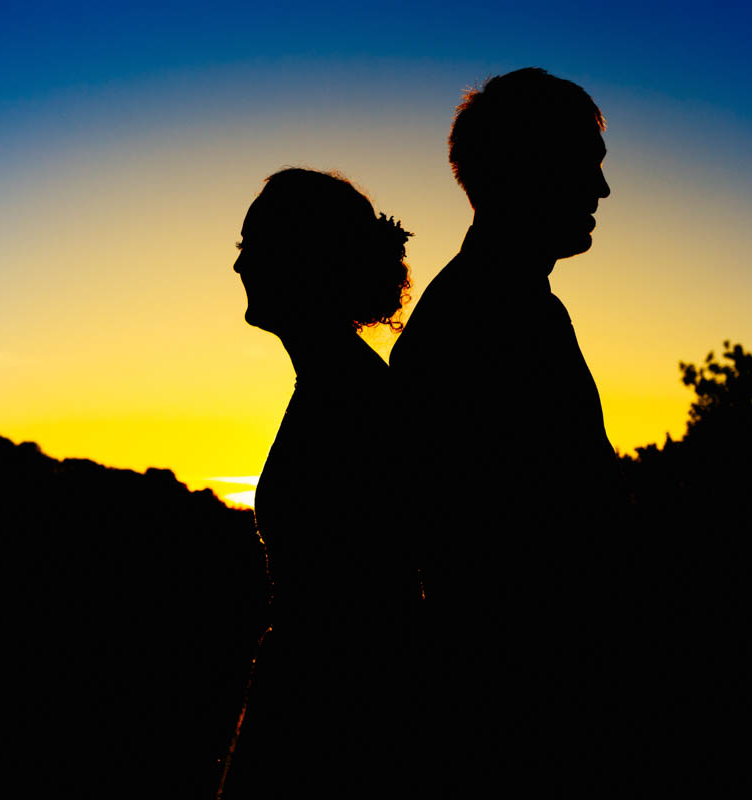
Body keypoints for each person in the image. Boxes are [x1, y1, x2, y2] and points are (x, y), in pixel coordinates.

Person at [389, 67, 623, 794]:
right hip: (517, 723)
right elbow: (526, 553)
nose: (602, 192)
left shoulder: (506, 304)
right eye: (588, 168)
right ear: (533, 169)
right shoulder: (487, 317)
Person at [220, 168, 423, 798]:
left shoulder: (350, 399)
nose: (238, 267)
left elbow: (364, 606)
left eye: (251, 246)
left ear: (300, 258)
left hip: (330, 724)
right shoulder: (336, 385)